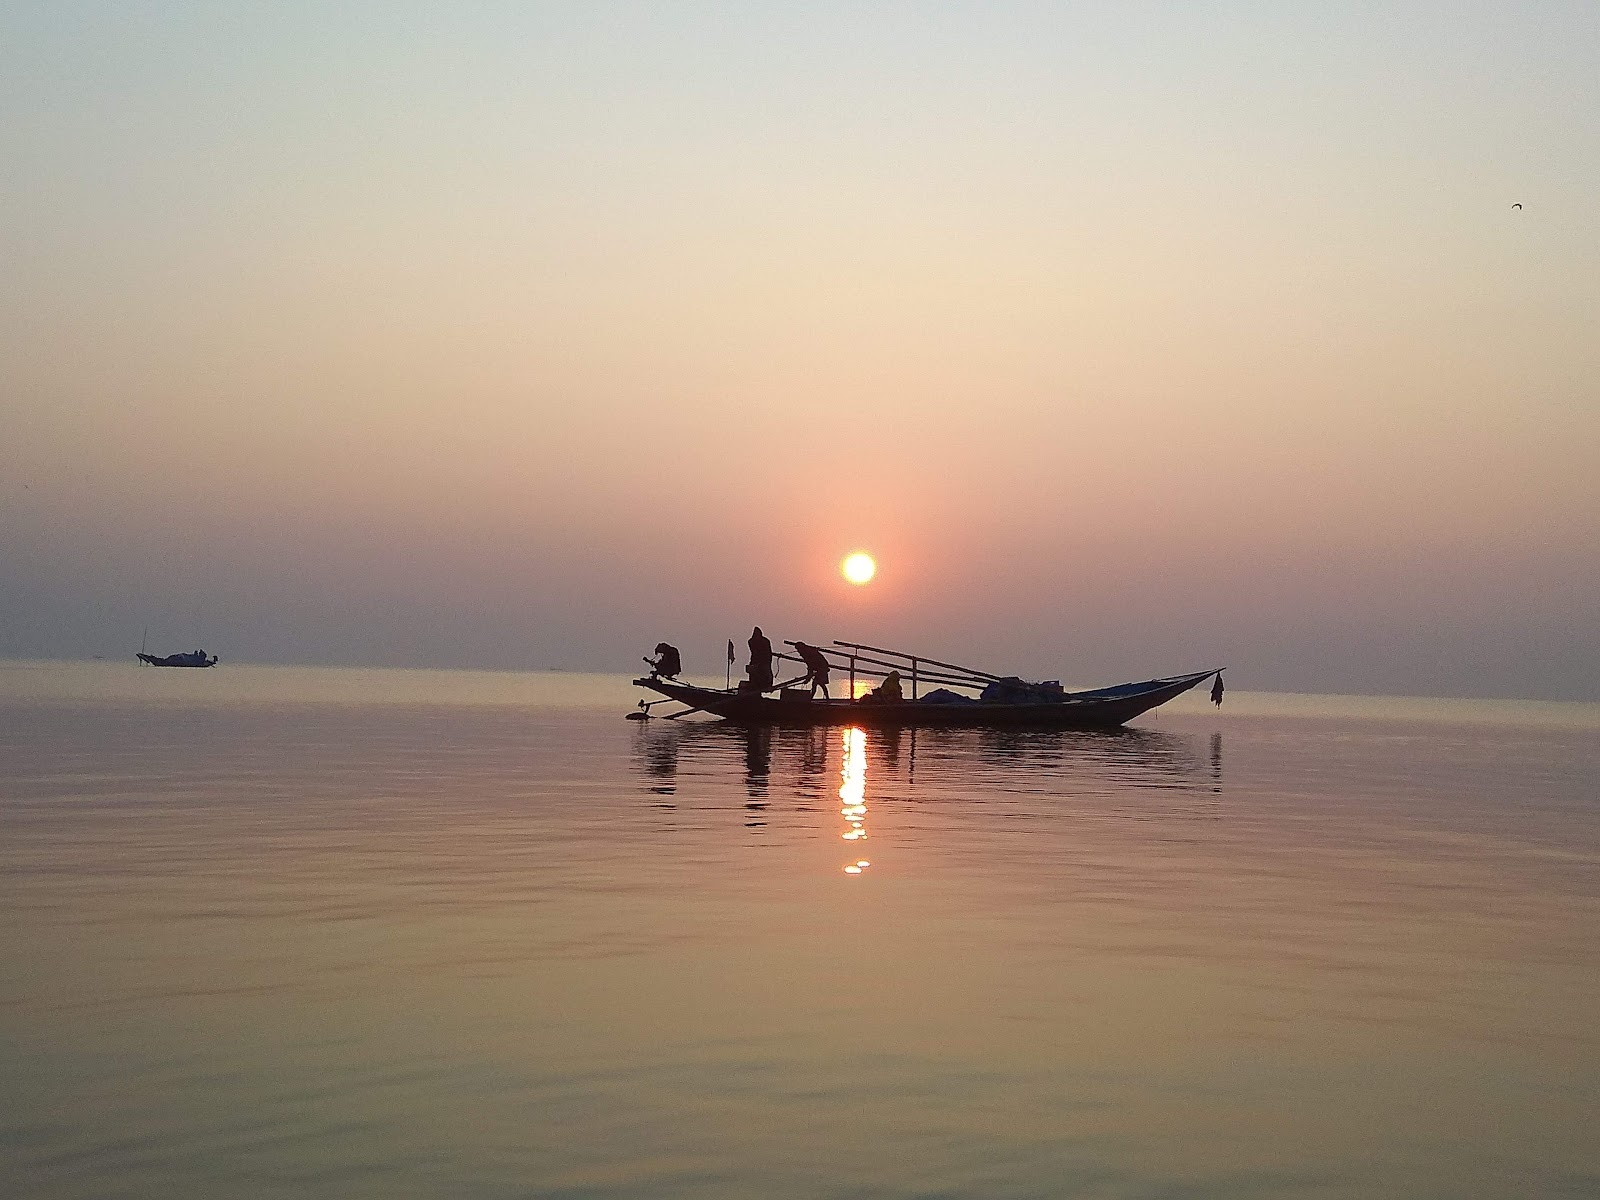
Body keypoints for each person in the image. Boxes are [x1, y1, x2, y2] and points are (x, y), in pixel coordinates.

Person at [746, 626, 774, 692]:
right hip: (755, 662)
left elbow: (768, 655)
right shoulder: (751, 641)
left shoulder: (765, 641)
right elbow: (753, 651)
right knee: (753, 673)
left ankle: (766, 686)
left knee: (765, 673)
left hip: (764, 662)